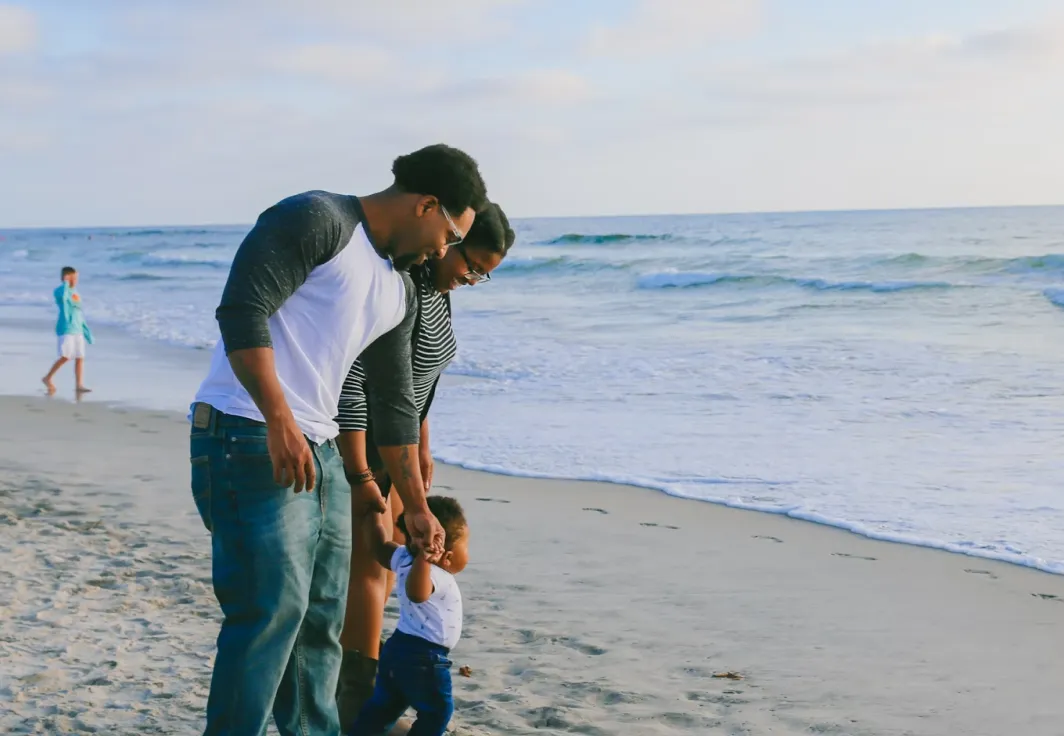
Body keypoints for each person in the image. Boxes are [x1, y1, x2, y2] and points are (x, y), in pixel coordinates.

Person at [187, 144, 487, 736]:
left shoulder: (399, 289)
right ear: (426, 205)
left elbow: (395, 406)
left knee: (320, 622)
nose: (444, 251)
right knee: (268, 616)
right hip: (245, 432)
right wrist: (279, 419)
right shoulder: (317, 218)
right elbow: (242, 310)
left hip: (320, 450)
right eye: (450, 235)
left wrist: (417, 506)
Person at [334, 203, 514, 726]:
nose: (472, 279)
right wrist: (364, 467)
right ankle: (355, 701)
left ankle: (372, 695)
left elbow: (420, 383)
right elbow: (366, 379)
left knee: (390, 572)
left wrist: (424, 444)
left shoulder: (439, 292)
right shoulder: (405, 287)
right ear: (450, 238)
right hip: (374, 443)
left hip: (404, 446)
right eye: (472, 265)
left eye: (483, 275)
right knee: (373, 571)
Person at [349, 496, 469, 736]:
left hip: (397, 650)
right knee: (437, 712)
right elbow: (416, 593)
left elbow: (380, 547)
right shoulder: (431, 573)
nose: (468, 553)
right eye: (466, 546)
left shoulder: (404, 557)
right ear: (447, 556)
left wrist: (373, 515)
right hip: (425, 658)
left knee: (384, 706)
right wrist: (424, 560)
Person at [43, 266, 93, 395]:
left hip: (78, 329)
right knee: (66, 356)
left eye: (76, 278)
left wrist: (86, 330)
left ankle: (79, 385)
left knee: (80, 357)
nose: (76, 280)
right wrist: (65, 283)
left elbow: (78, 312)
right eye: (73, 278)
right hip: (66, 328)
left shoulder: (75, 293)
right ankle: (48, 377)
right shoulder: (60, 291)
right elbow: (63, 299)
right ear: (66, 278)